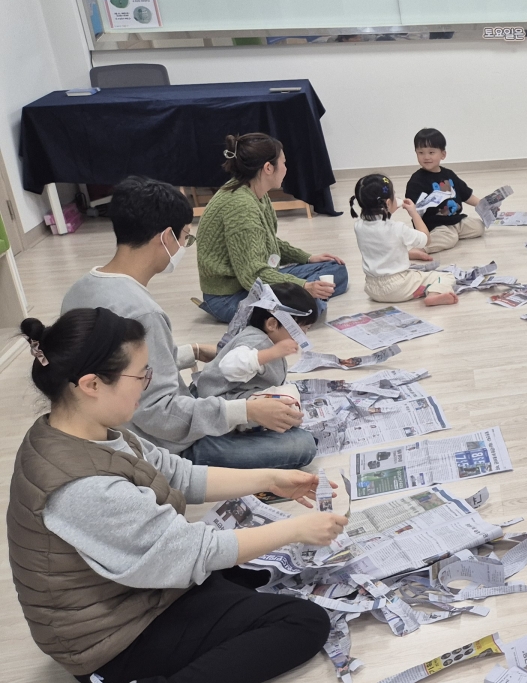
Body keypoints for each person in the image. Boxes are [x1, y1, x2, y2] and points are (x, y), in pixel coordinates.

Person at [10, 308, 348, 683]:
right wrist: (296, 529)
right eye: (140, 375)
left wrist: (272, 478)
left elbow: (178, 474)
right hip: (110, 644)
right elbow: (191, 552)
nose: (147, 384)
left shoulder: (90, 431)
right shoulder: (81, 487)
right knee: (303, 623)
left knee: (249, 571)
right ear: (91, 384)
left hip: (132, 592)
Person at [60, 176, 316, 469]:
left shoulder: (80, 289)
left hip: (114, 425)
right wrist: (247, 411)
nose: (184, 245)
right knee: (302, 446)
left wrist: (192, 351)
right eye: (185, 237)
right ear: (166, 237)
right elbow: (159, 414)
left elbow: (120, 368)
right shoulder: (143, 313)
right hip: (159, 443)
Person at [197, 133, 349, 323]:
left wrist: (308, 258)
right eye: (283, 163)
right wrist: (304, 286)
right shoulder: (241, 207)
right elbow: (253, 276)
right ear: (268, 168)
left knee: (336, 269)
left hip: (254, 278)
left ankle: (310, 298)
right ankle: (310, 300)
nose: (286, 168)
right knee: (309, 308)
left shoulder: (254, 190)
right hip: (229, 296)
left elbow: (266, 240)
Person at [191, 282, 318, 407]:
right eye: (299, 331)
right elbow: (229, 367)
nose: (303, 336)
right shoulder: (256, 341)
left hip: (239, 393)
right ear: (272, 324)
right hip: (220, 400)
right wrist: (272, 352)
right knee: (287, 398)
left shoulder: (269, 340)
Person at [350, 173, 460, 306]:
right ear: (388, 202)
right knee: (445, 276)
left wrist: (389, 207)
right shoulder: (398, 228)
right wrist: (414, 213)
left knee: (414, 272)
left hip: (372, 288)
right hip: (398, 287)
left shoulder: (358, 226)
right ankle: (434, 294)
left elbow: (379, 226)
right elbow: (426, 239)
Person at [406, 127, 488, 253]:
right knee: (449, 239)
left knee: (479, 227)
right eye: (421, 153)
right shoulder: (416, 180)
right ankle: (419, 249)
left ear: (443, 154)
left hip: (455, 219)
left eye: (431, 152)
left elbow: (466, 195)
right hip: (434, 224)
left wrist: (485, 205)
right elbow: (413, 208)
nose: (426, 157)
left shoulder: (449, 174)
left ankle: (453, 232)